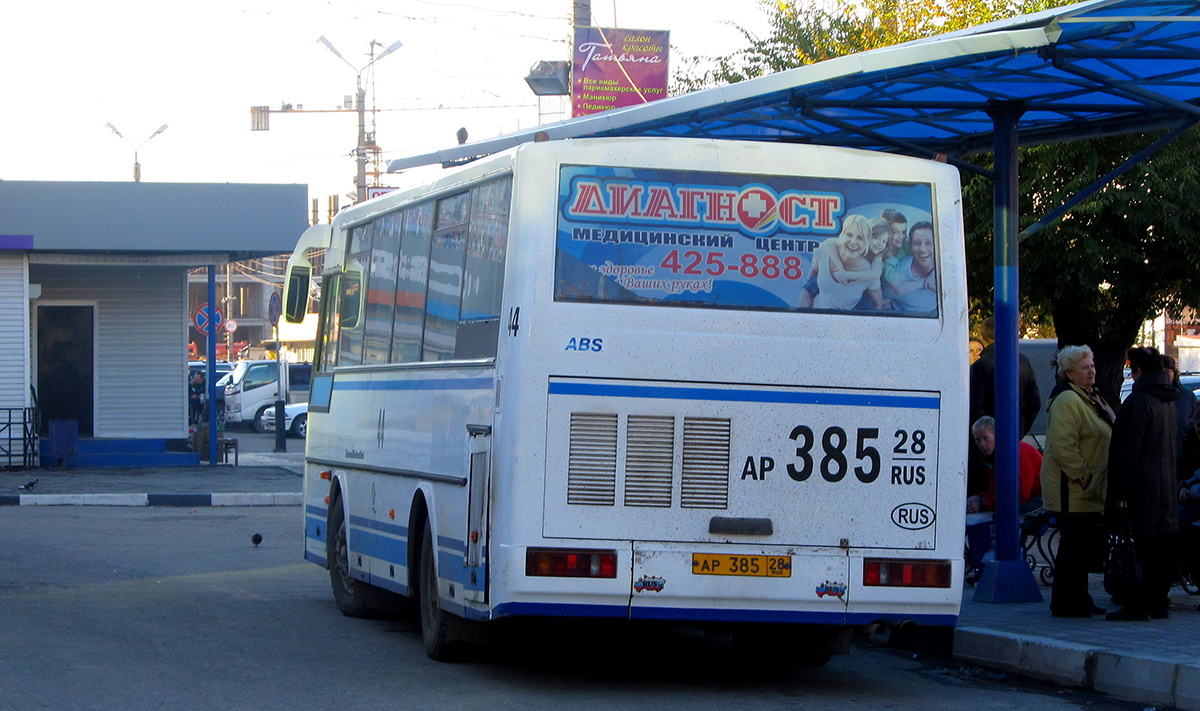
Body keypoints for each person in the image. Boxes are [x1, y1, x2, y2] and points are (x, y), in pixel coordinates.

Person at [1106, 347, 1180, 621]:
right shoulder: (1168, 399)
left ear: (1136, 372)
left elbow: (1128, 451)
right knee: (1159, 548)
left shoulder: (1138, 402)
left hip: (1142, 488)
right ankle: (1158, 601)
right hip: (1165, 485)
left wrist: (1119, 492)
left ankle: (1139, 604)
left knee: (1142, 548)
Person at [1040, 344, 1114, 618]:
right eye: (1085, 367)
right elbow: (1062, 445)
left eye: (1092, 365)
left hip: (1087, 489)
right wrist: (1083, 476)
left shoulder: (1088, 398)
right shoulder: (1068, 401)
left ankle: (1079, 598)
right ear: (1069, 373)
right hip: (1072, 490)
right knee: (1072, 547)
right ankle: (1065, 602)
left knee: (1080, 547)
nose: (1092, 370)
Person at [968, 317, 1043, 495]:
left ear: (982, 336)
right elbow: (1035, 403)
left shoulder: (980, 366)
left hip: (985, 448)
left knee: (988, 490)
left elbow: (975, 409)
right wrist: (1020, 430)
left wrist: (982, 438)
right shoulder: (1023, 361)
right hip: (1014, 437)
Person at [966, 416, 1043, 515]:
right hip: (1027, 497)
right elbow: (995, 487)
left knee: (1006, 516)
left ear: (997, 435)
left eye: (986, 438)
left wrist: (983, 504)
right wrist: (980, 498)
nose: (982, 444)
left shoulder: (1019, 453)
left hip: (1043, 499)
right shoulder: (992, 456)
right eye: (978, 440)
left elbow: (1021, 495)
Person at [881, 221, 937, 313]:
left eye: (928, 243)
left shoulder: (944, 266)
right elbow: (882, 298)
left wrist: (935, 274)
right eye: (917, 243)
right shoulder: (898, 274)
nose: (922, 249)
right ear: (911, 247)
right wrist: (926, 281)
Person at [1164, 355, 1199, 460]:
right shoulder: (1149, 399)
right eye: (1161, 372)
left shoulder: (1187, 397)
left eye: (1168, 372)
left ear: (1174, 373)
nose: (1165, 376)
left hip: (1183, 461)